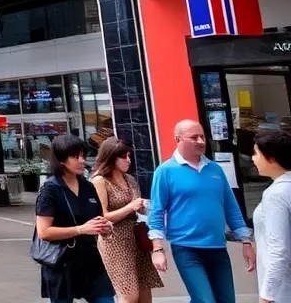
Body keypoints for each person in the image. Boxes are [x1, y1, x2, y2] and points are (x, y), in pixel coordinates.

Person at [149, 120, 254, 303]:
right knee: (205, 300)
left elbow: (231, 207)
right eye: (194, 137)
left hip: (217, 246)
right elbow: (156, 211)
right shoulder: (165, 171)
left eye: (202, 136)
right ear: (178, 139)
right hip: (186, 248)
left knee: (227, 300)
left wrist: (246, 241)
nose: (200, 141)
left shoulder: (215, 169)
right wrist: (157, 248)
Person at [34, 134, 115, 303]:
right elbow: (44, 232)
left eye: (83, 156)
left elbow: (98, 219)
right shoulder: (51, 189)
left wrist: (105, 228)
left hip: (91, 260)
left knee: (106, 299)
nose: (81, 161)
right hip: (62, 262)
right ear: (61, 159)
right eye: (75, 156)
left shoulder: (88, 187)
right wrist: (81, 229)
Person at [91, 137, 162, 303]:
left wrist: (144, 206)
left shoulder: (130, 179)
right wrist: (131, 207)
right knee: (129, 295)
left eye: (129, 156)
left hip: (136, 237)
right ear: (111, 157)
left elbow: (138, 209)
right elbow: (102, 216)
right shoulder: (100, 181)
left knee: (145, 295)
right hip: (114, 241)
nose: (128, 160)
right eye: (124, 157)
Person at [251, 128, 291, 303]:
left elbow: (279, 249)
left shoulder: (276, 194)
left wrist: (267, 294)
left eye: (256, 153)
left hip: (283, 289)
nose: (252, 159)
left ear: (272, 157)